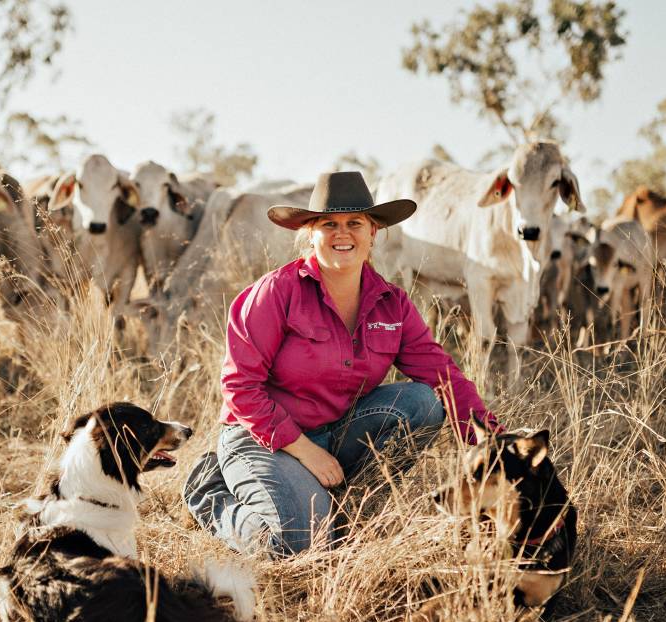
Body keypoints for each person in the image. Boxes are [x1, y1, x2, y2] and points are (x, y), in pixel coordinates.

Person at [183, 171, 502, 558]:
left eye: (355, 223)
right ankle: (210, 494)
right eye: (328, 224)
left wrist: (497, 443)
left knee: (424, 403)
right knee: (301, 545)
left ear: (374, 234)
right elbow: (239, 388)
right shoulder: (276, 292)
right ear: (309, 233)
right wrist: (304, 450)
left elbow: (442, 375)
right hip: (259, 439)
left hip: (334, 432)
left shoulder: (392, 303)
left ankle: (349, 507)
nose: (342, 233)